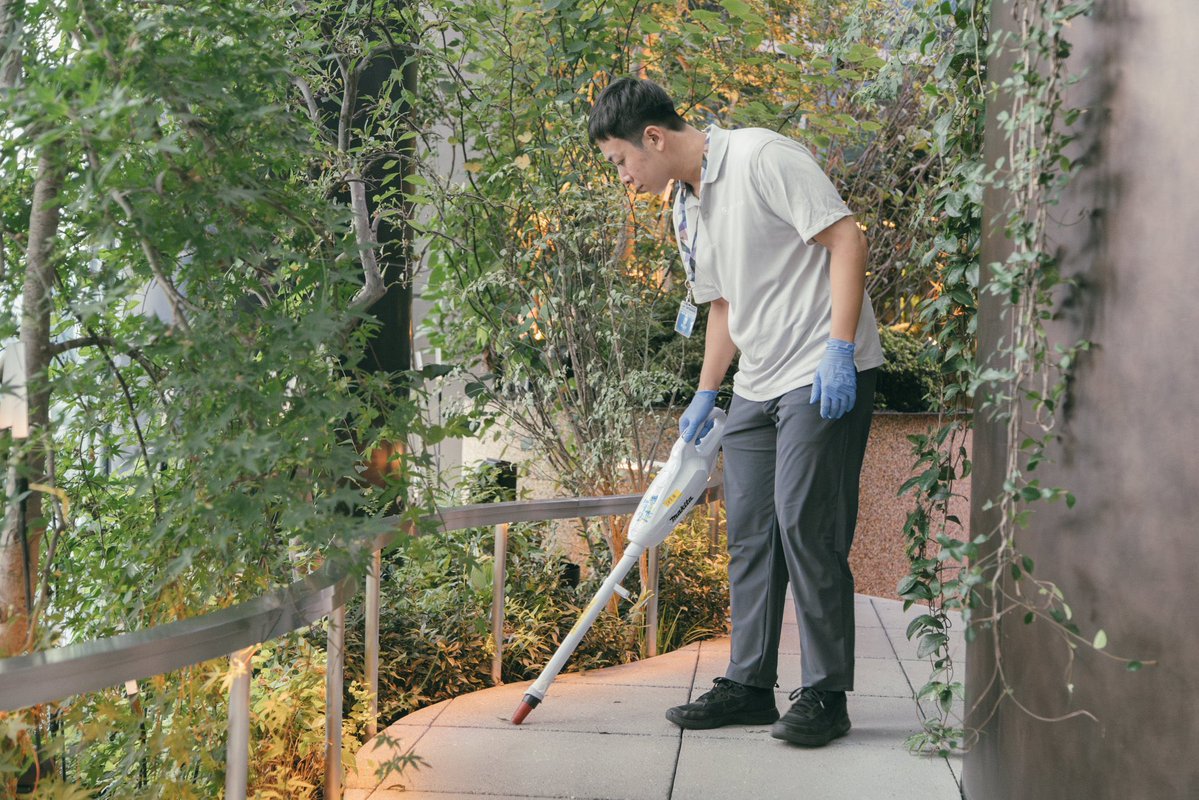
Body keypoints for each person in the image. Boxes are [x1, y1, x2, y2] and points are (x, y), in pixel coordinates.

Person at [587, 77, 884, 747]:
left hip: (820, 369)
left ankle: (825, 694)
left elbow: (846, 241)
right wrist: (705, 391)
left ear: (652, 138)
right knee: (750, 532)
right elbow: (721, 304)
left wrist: (840, 349)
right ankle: (749, 685)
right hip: (757, 380)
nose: (623, 177)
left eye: (621, 160)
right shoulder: (684, 206)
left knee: (806, 524)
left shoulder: (761, 157)